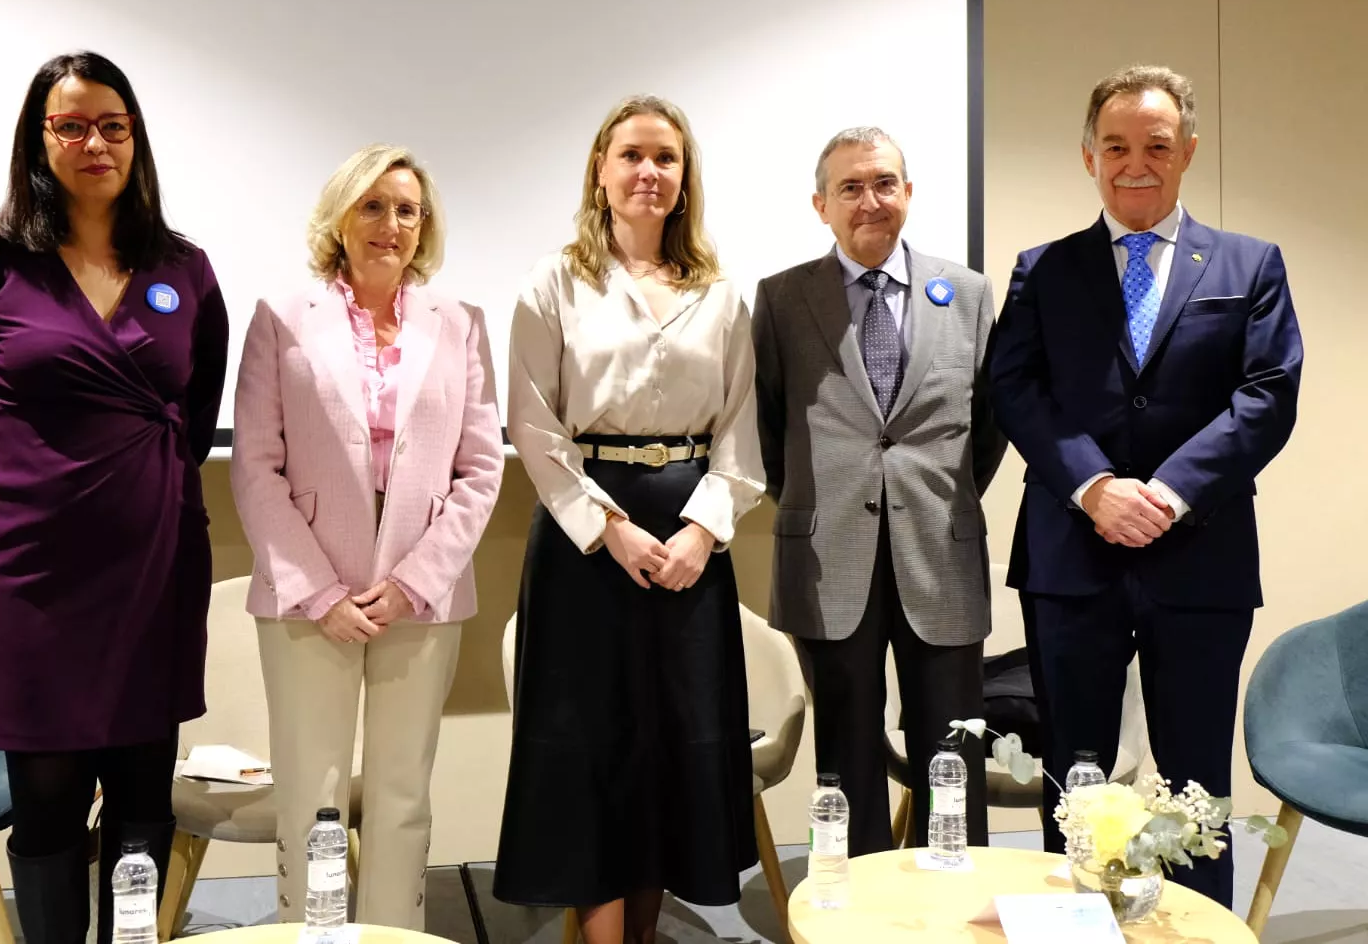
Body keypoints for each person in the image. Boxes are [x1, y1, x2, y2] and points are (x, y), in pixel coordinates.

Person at [0, 51, 228, 943]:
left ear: (136, 140)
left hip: (153, 570)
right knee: (47, 803)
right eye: (71, 124)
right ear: (38, 138)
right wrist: (31, 494)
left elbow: (192, 416)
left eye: (113, 126)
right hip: (32, 578)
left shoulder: (186, 268)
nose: (95, 142)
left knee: (141, 795)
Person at [990, 64, 1303, 906]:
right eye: (1117, 146)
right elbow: (1016, 390)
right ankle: (1079, 924)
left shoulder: (1250, 264)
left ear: (1188, 152)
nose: (1137, 163)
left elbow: (1268, 395)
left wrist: (1167, 492)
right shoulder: (1041, 270)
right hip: (1071, 554)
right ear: (1088, 155)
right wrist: (1093, 486)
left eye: (1157, 146)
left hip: (1201, 558)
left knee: (1196, 780)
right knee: (1077, 774)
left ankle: (1198, 930)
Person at [493, 95, 765, 944]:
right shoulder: (553, 281)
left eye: (667, 159)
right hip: (585, 540)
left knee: (670, 746)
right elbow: (532, 425)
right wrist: (609, 528)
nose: (649, 172)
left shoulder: (718, 295)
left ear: (685, 182)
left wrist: (703, 532)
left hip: (687, 540)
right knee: (586, 746)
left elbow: (742, 431)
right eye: (632, 156)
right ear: (601, 173)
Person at [230, 143, 503, 927]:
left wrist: (417, 578)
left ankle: (394, 938)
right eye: (373, 206)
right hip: (306, 600)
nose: (392, 225)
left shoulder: (460, 324)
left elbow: (479, 470)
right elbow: (255, 467)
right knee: (310, 799)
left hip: (419, 600)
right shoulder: (282, 319)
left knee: (401, 798)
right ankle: (305, 937)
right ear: (341, 218)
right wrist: (318, 591)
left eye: (408, 210)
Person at [752, 127, 1005, 855]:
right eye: (851, 188)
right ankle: (857, 917)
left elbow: (987, 426)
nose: (871, 201)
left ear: (909, 193)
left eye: (885, 183)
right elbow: (768, 432)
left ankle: (951, 917)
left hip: (941, 554)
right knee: (846, 760)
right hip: (829, 560)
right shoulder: (781, 299)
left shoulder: (967, 292)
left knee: (950, 761)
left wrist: (936, 498)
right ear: (821, 205)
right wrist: (818, 500)